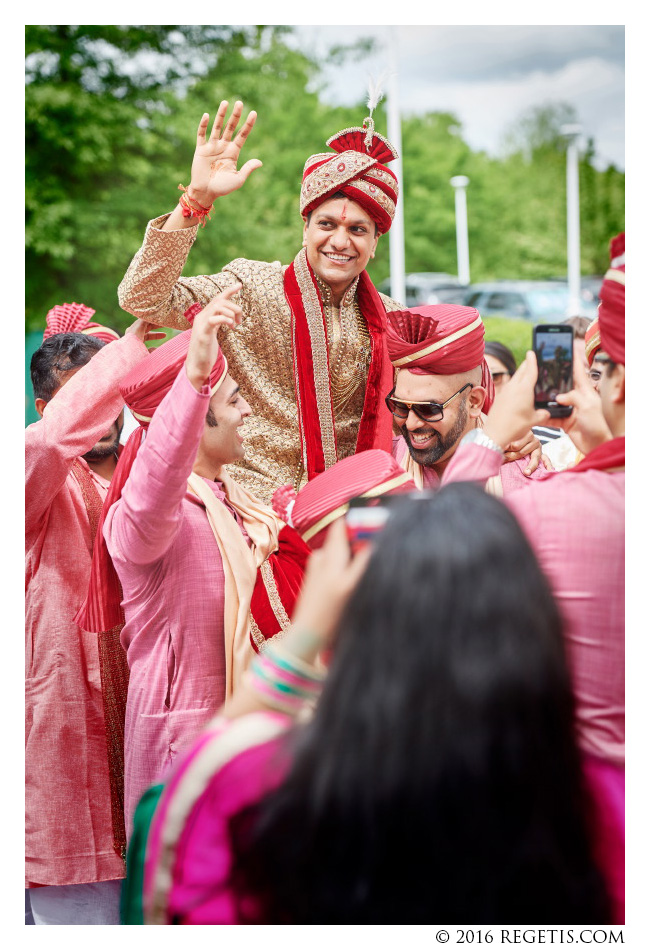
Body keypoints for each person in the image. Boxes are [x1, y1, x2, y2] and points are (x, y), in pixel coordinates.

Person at [124, 487, 620, 924]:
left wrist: (303, 636)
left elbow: (168, 819)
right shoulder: (597, 802)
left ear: (355, 631)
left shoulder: (264, 790)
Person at [77, 288, 310, 838]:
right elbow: (160, 475)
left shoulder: (238, 501)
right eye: (232, 400)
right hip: (182, 751)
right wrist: (195, 379)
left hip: (252, 745)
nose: (248, 409)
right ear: (194, 418)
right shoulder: (144, 517)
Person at [118, 99, 403, 502]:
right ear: (305, 228)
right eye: (326, 224)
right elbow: (142, 297)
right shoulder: (251, 287)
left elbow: (441, 404)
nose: (340, 241)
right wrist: (195, 201)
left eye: (358, 229)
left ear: (375, 243)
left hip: (349, 513)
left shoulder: (391, 320)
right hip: (249, 517)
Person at [444, 233, 625, 781]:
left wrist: (493, 434)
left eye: (602, 368)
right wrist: (600, 444)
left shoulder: (559, 508)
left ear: (616, 385)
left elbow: (443, 548)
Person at [25, 303, 159, 924]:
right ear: (49, 409)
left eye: (111, 398)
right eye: (84, 402)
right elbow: (53, 442)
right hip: (64, 751)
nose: (102, 414)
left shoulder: (143, 481)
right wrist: (124, 355)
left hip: (146, 736)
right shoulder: (29, 483)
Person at [385, 304, 546, 493]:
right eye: (401, 406)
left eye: (429, 409)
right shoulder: (383, 472)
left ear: (474, 401)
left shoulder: (527, 482)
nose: (411, 424)